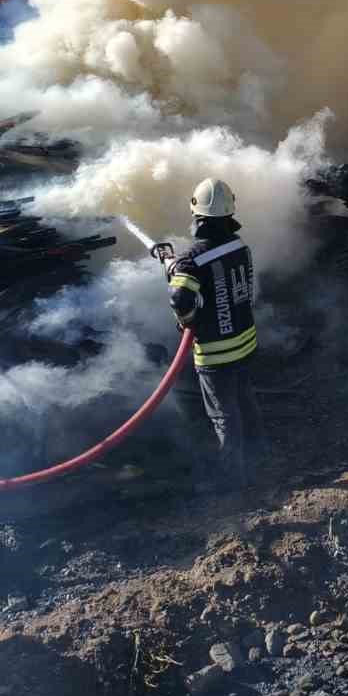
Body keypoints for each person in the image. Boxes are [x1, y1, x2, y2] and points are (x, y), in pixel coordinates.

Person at [151, 178, 262, 492]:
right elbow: (219, 278)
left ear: (197, 214)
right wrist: (176, 266)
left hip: (216, 353)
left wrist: (187, 320)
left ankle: (233, 478)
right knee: (245, 400)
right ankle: (259, 453)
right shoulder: (240, 246)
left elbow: (180, 299)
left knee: (223, 415)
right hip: (246, 341)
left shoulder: (192, 259)